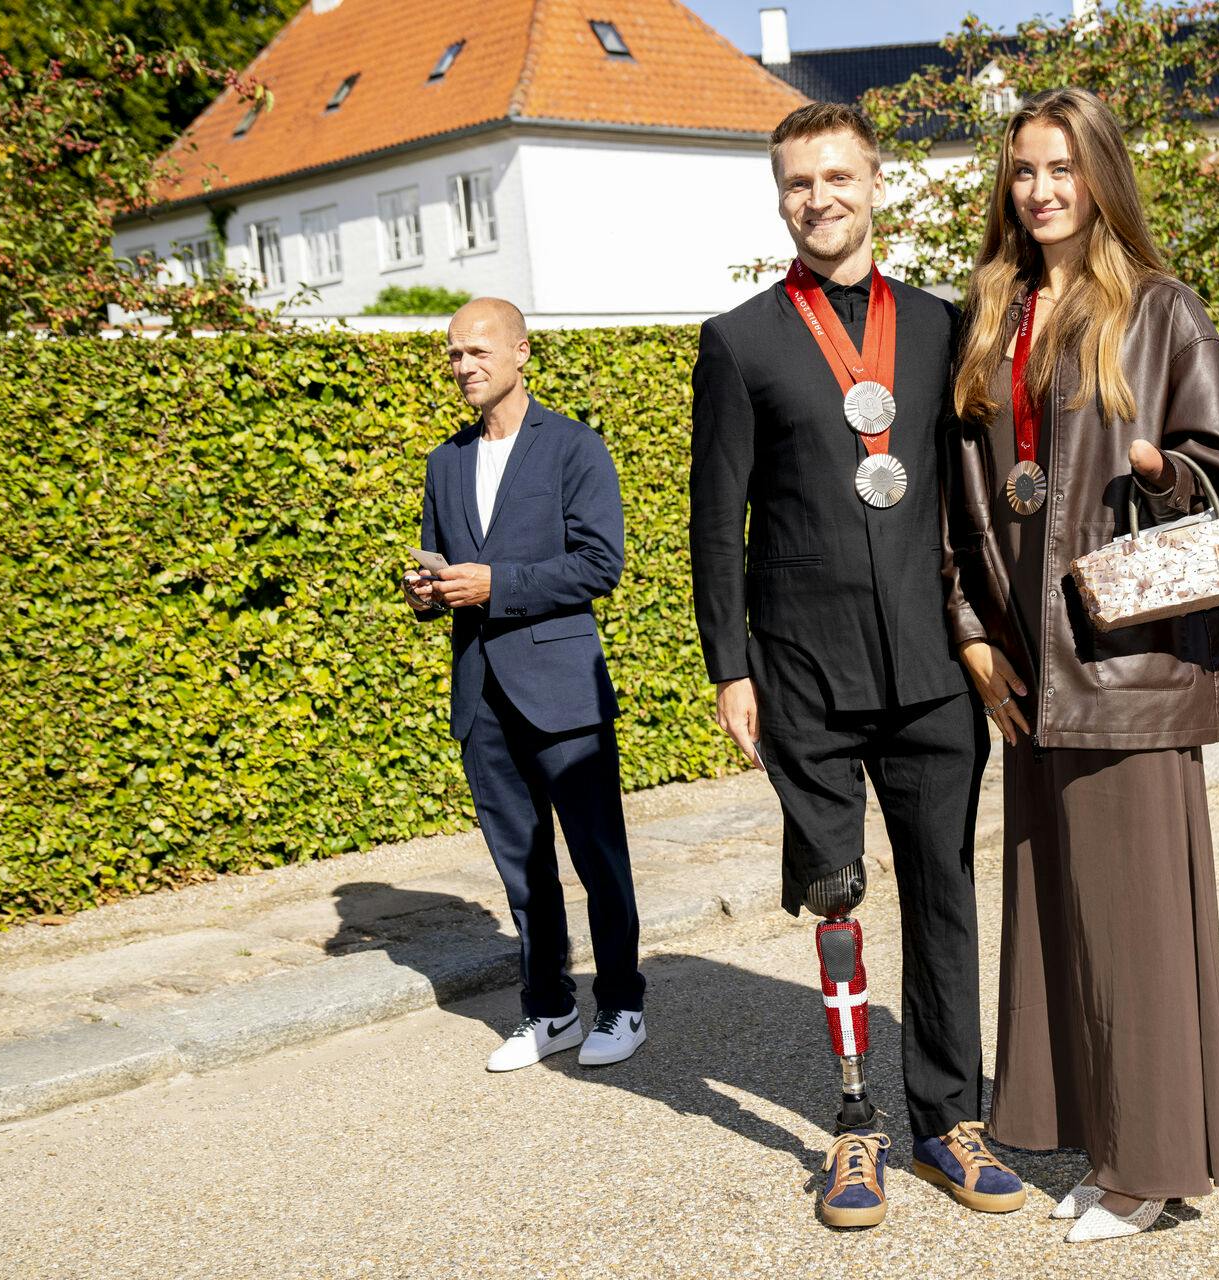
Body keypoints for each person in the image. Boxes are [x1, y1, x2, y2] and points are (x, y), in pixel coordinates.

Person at [688, 102, 1025, 1231]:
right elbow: (712, 521)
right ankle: (852, 1129)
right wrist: (728, 668)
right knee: (835, 900)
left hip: (932, 669)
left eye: (837, 177)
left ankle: (946, 1116)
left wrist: (991, 632)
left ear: (877, 183)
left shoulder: (939, 327)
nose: (818, 198)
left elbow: (973, 500)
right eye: (797, 183)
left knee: (944, 898)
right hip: (806, 677)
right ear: (779, 198)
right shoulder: (737, 339)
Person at [942, 88, 1219, 1243]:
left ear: (1101, 175)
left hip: (1124, 665)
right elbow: (965, 495)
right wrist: (972, 628)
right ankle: (1106, 1139)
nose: (1041, 190)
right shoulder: (995, 311)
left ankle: (1152, 1165)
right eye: (1024, 169)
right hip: (1031, 666)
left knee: (1134, 925)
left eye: (1062, 168)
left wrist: (1163, 467)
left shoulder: (1161, 308)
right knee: (1060, 919)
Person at [401, 297, 646, 1074]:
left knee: (598, 856)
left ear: (520, 351)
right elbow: (446, 562)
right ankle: (549, 1008)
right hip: (482, 694)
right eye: (452, 355)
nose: (463, 367)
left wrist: (495, 586)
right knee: (522, 866)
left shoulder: (574, 447)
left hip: (562, 688)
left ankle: (623, 1003)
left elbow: (600, 564)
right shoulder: (445, 462)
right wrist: (427, 592)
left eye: (477, 352)